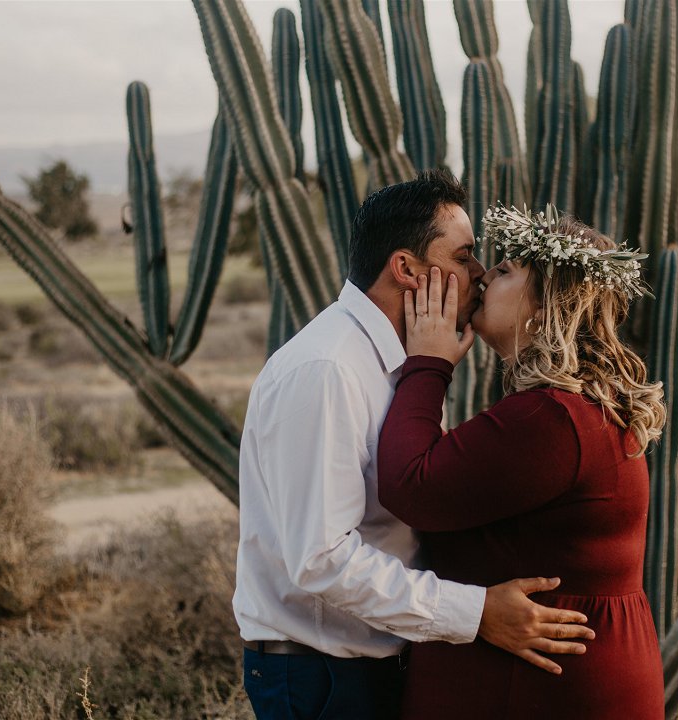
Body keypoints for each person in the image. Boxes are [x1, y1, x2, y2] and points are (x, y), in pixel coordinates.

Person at [235, 173, 596, 720]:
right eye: (465, 256)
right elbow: (320, 559)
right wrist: (476, 614)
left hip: (378, 663)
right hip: (323, 677)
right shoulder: (328, 370)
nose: (480, 274)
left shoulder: (406, 360)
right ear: (406, 269)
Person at [378, 203, 667, 718]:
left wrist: (428, 364)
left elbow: (410, 485)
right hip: (552, 677)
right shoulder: (574, 409)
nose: (485, 276)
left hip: (543, 689)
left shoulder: (551, 419)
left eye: (507, 270)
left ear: (547, 304)